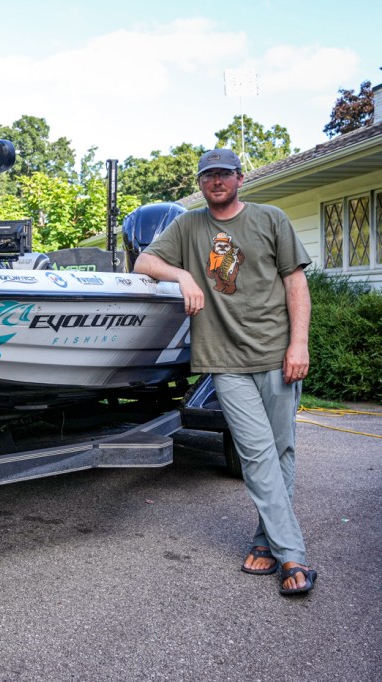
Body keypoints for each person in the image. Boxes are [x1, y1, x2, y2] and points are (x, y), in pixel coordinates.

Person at [133, 148, 316, 596]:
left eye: (223, 174)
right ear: (200, 184)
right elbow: (143, 263)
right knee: (256, 455)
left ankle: (264, 541)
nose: (216, 181)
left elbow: (296, 283)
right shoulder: (188, 226)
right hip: (225, 362)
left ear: (239, 178)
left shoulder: (270, 219)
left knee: (281, 450)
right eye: (207, 176)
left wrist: (299, 344)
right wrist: (183, 276)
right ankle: (293, 555)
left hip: (277, 355)